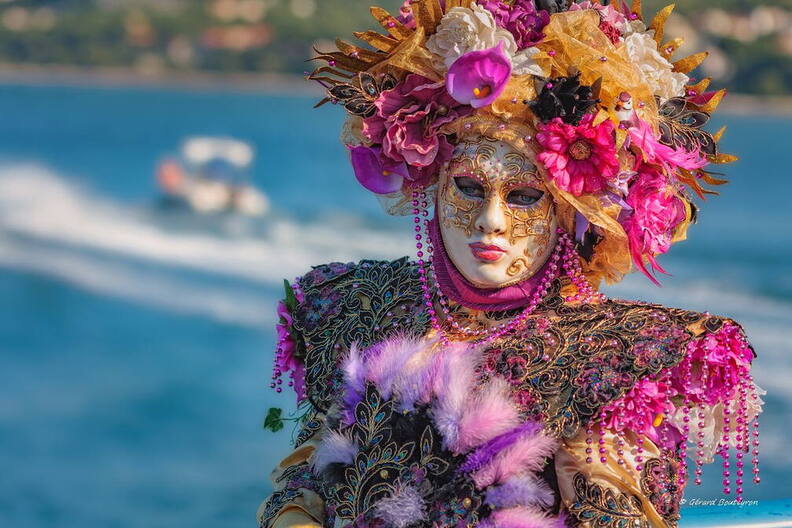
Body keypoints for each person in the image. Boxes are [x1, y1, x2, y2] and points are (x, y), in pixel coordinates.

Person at [258, 1, 763, 526]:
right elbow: (304, 482)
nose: (490, 221)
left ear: (571, 213)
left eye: (523, 196)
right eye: (469, 188)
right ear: (431, 185)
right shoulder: (356, 308)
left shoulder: (608, 359)